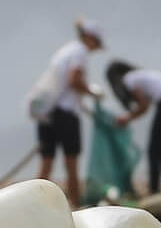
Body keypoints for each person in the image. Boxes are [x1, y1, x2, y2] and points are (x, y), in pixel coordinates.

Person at [24, 17, 104, 206]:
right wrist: (92, 92)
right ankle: (75, 204)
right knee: (71, 162)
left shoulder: (65, 51)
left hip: (47, 112)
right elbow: (74, 80)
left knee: (46, 162)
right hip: (65, 114)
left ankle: (34, 204)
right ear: (90, 38)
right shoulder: (80, 52)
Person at [104, 60, 161, 195]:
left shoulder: (129, 79)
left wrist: (127, 118)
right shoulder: (141, 76)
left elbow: (144, 106)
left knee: (154, 151)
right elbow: (146, 106)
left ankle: (154, 190)